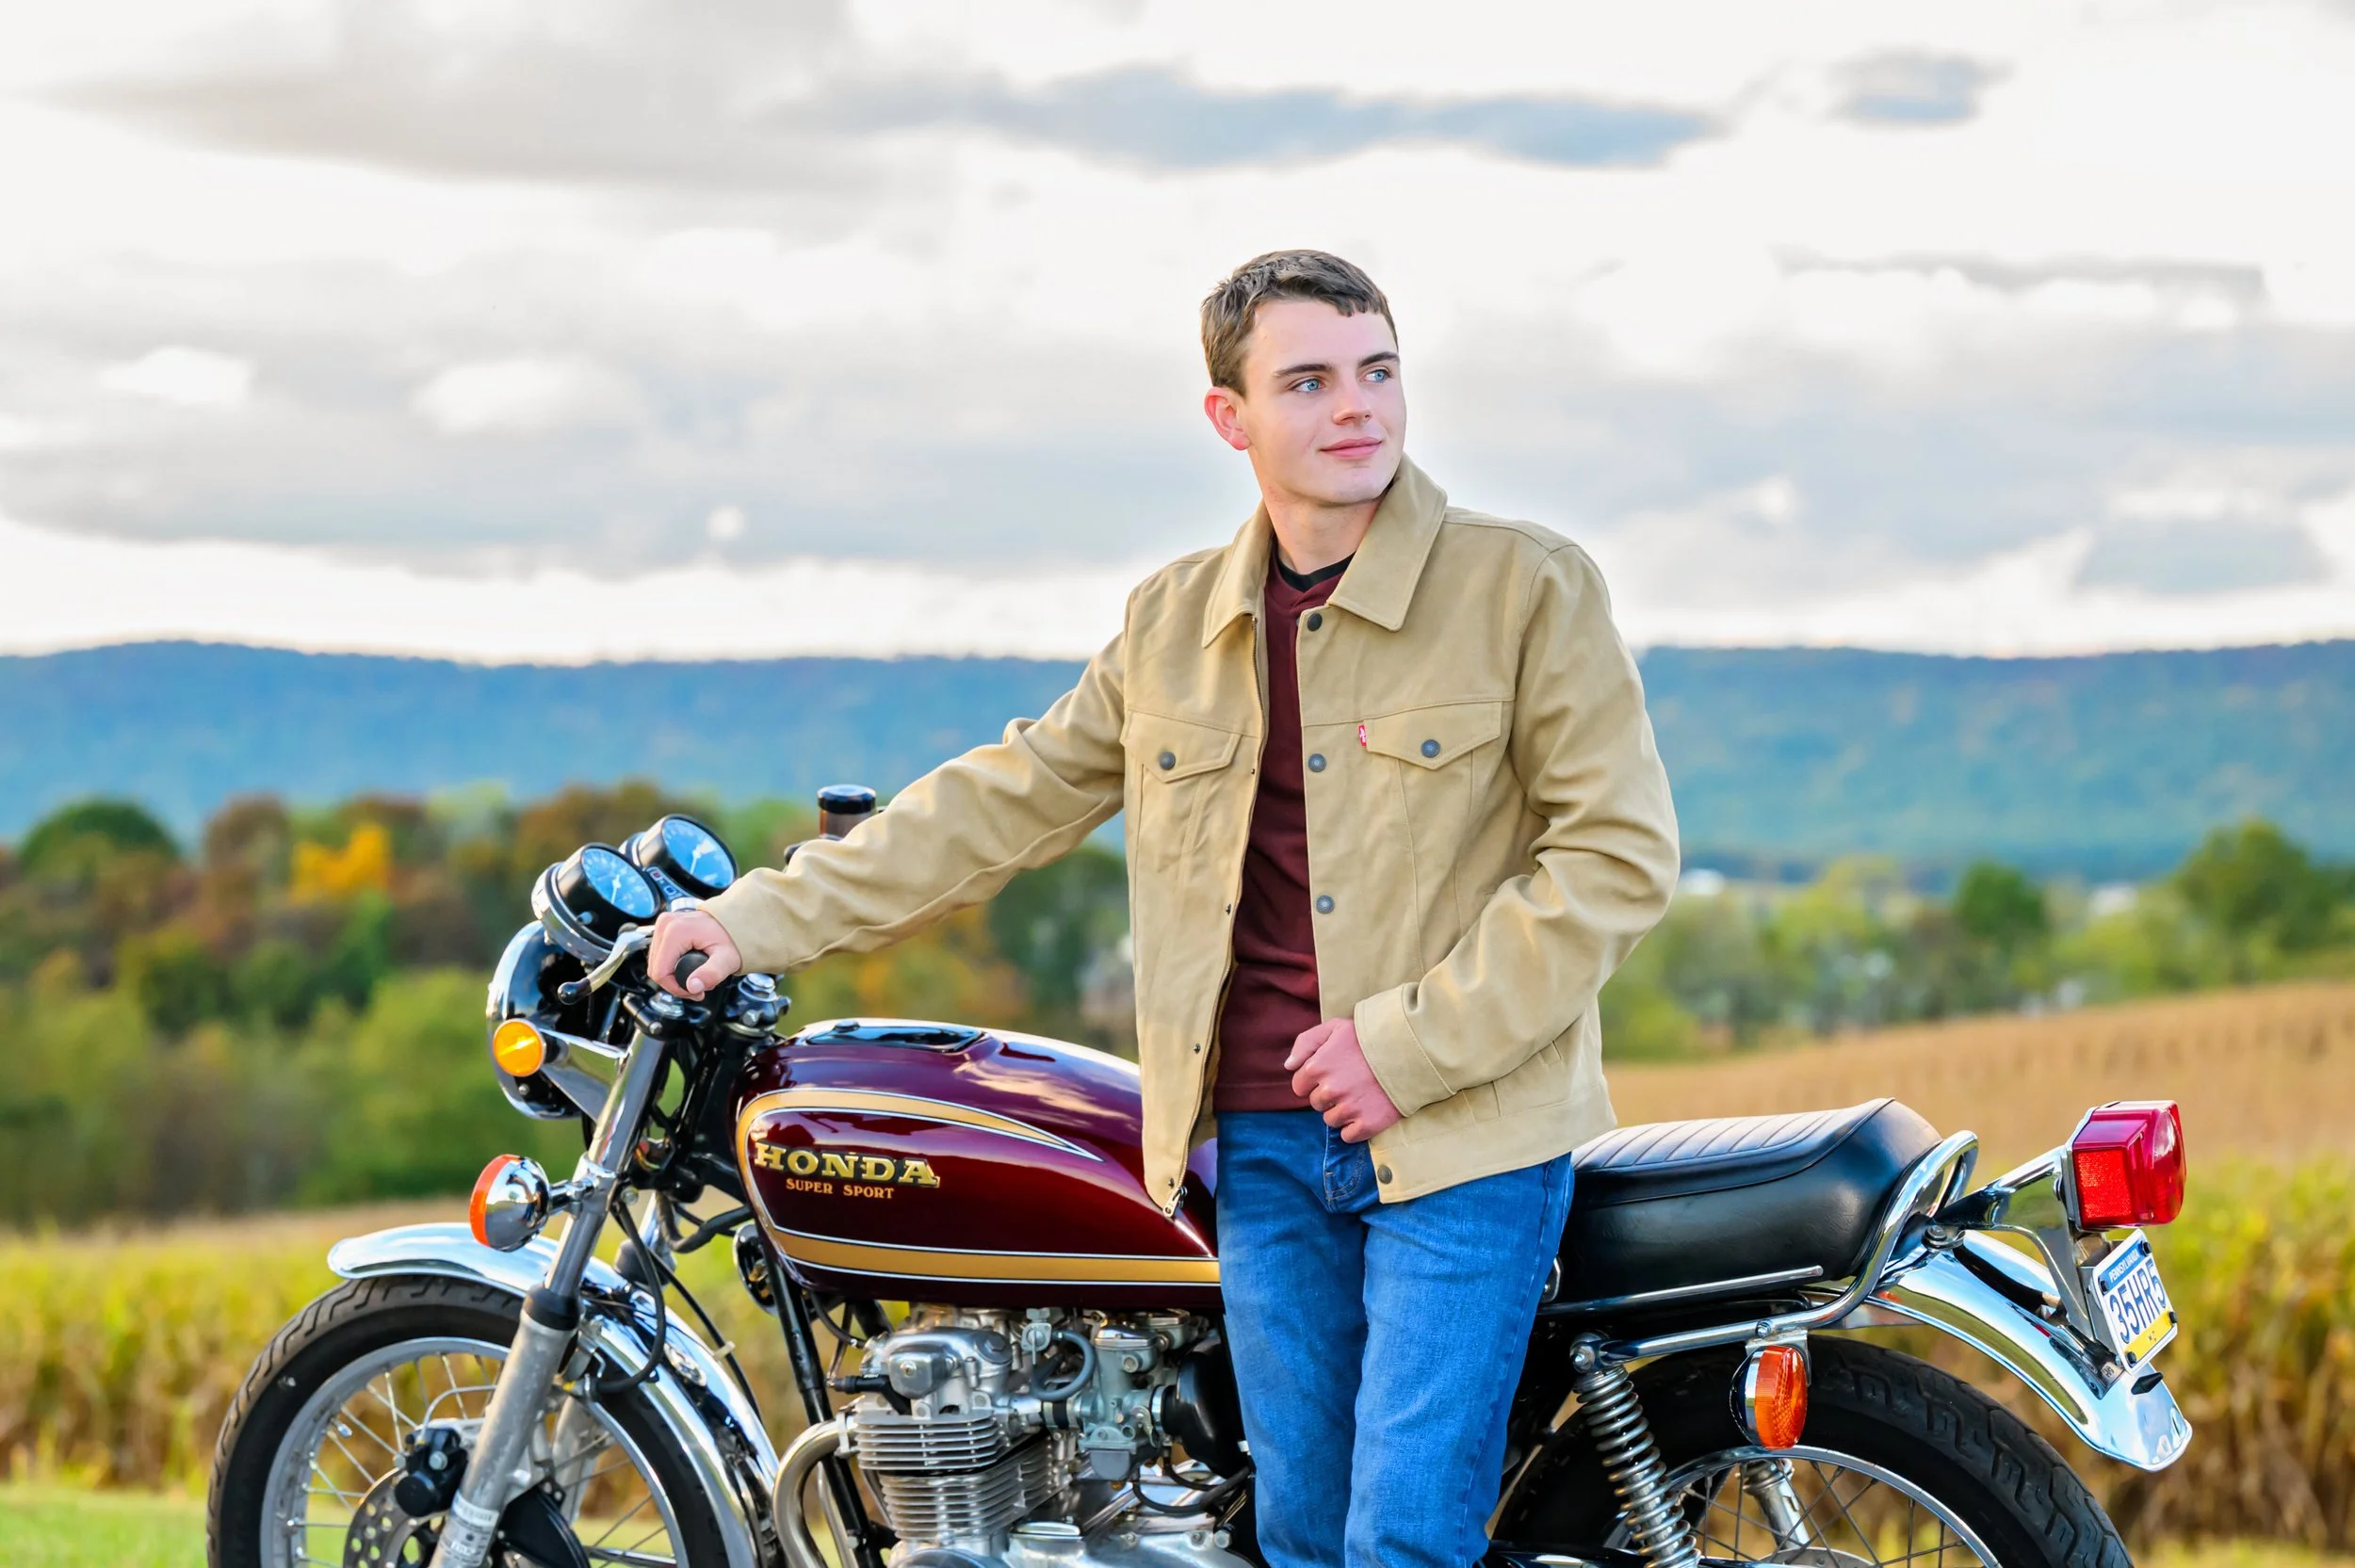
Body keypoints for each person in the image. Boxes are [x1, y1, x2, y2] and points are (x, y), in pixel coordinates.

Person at [651, 249, 1680, 1568]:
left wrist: (1407, 1045)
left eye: (1377, 371)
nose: (1356, 407)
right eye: (1307, 381)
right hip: (1254, 1148)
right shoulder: (1175, 621)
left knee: (1403, 1545)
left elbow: (1618, 858)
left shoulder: (1525, 585)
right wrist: (755, 920)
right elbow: (1000, 800)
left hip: (1463, 1137)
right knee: (1300, 1538)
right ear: (1229, 418)